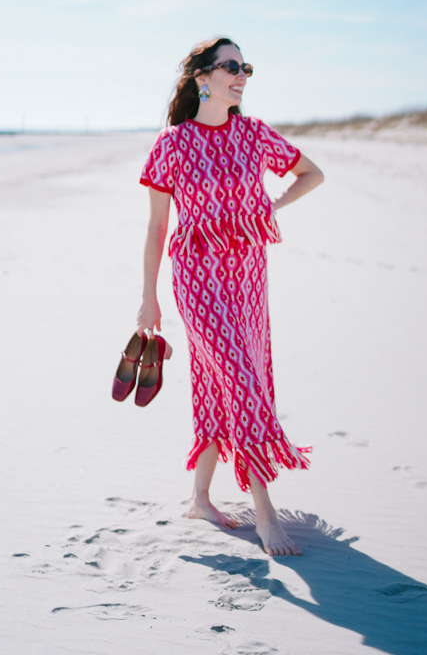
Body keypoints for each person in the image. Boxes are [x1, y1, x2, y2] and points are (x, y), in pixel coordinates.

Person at [136, 37, 324, 556]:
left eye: (246, 68)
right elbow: (156, 229)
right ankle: (265, 514)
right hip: (196, 277)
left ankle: (200, 497)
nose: (242, 76)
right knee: (239, 377)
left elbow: (313, 173)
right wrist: (148, 299)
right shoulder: (172, 145)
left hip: (247, 278)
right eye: (232, 67)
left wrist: (270, 208)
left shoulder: (255, 135)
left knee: (224, 383)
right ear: (203, 77)